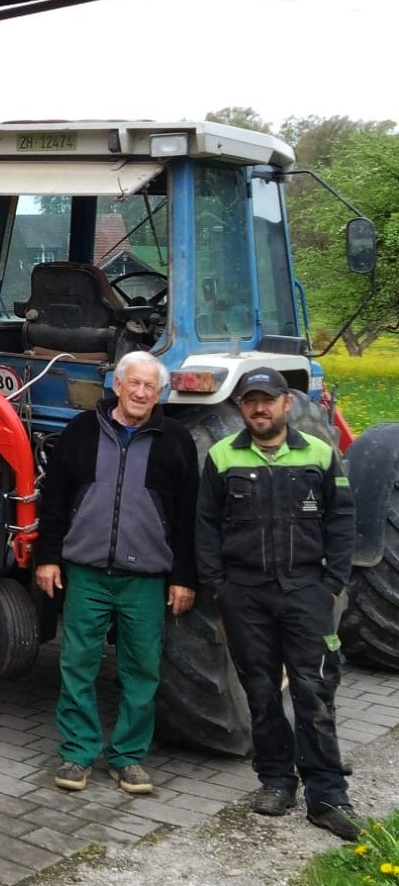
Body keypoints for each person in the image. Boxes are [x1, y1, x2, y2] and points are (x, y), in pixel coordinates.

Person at [195, 367, 361, 840]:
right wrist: (219, 585)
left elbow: (342, 519)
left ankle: (327, 796)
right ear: (241, 407)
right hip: (245, 595)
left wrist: (332, 582)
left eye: (267, 400)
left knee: (314, 691)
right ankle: (276, 781)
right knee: (262, 693)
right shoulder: (222, 456)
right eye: (250, 401)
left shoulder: (319, 453)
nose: (259, 408)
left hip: (306, 591)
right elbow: (205, 524)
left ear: (286, 403)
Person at [35, 350, 199, 795]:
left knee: (141, 670)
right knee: (78, 664)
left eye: (150, 386)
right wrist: (48, 556)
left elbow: (188, 515)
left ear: (159, 393)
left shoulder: (176, 440)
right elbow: (54, 499)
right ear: (118, 386)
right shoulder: (81, 431)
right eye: (135, 383)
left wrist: (184, 576)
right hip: (86, 572)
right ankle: (78, 752)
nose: (141, 393)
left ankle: (127, 757)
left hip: (145, 577)